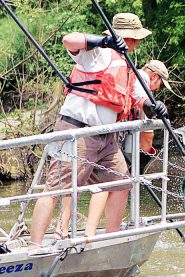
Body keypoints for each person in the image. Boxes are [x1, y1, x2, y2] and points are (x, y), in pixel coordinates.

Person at [29, 13, 167, 248]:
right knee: (57, 188)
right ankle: (35, 245)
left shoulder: (127, 64)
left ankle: (111, 238)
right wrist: (104, 42)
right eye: (135, 39)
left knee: (122, 182)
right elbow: (68, 39)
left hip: (107, 139)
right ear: (126, 37)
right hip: (79, 132)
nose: (137, 44)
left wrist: (153, 107)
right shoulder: (99, 53)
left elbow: (137, 96)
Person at [53, 59, 173, 238]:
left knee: (83, 182)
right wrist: (141, 163)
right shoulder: (143, 85)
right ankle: (101, 233)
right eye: (161, 84)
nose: (158, 89)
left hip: (92, 129)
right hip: (111, 138)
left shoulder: (127, 75)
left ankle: (71, 230)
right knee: (109, 184)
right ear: (154, 76)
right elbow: (147, 137)